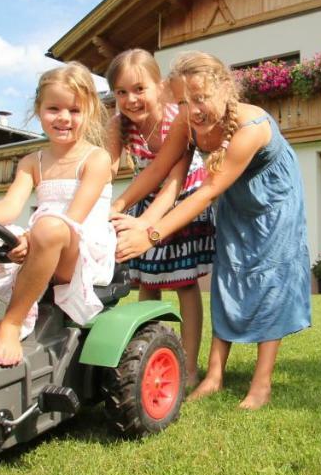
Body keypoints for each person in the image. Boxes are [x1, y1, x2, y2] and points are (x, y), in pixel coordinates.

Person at [113, 51, 310, 410]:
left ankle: (261, 383)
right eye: (185, 102)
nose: (194, 109)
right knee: (228, 276)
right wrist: (120, 208)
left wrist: (152, 235)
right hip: (234, 196)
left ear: (224, 89)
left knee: (270, 280)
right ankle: (214, 374)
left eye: (201, 98)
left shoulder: (251, 128)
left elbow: (206, 191)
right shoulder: (187, 122)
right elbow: (159, 171)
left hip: (274, 201)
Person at [0, 63, 115, 367]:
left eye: (74, 110)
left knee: (49, 227)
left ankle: (12, 322)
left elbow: (74, 217)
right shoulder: (33, 160)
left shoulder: (96, 158)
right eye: (54, 108)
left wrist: (33, 238)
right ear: (39, 109)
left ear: (90, 111)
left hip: (80, 251)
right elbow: (8, 207)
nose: (63, 118)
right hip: (42, 239)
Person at [105, 49, 216, 391]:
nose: (130, 99)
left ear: (161, 86)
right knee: (148, 282)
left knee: (184, 284)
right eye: (121, 92)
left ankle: (189, 366)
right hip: (147, 197)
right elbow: (105, 172)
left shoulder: (177, 119)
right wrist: (101, 209)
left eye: (139, 89)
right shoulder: (118, 125)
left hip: (182, 197)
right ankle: (144, 358)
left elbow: (170, 180)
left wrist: (145, 226)